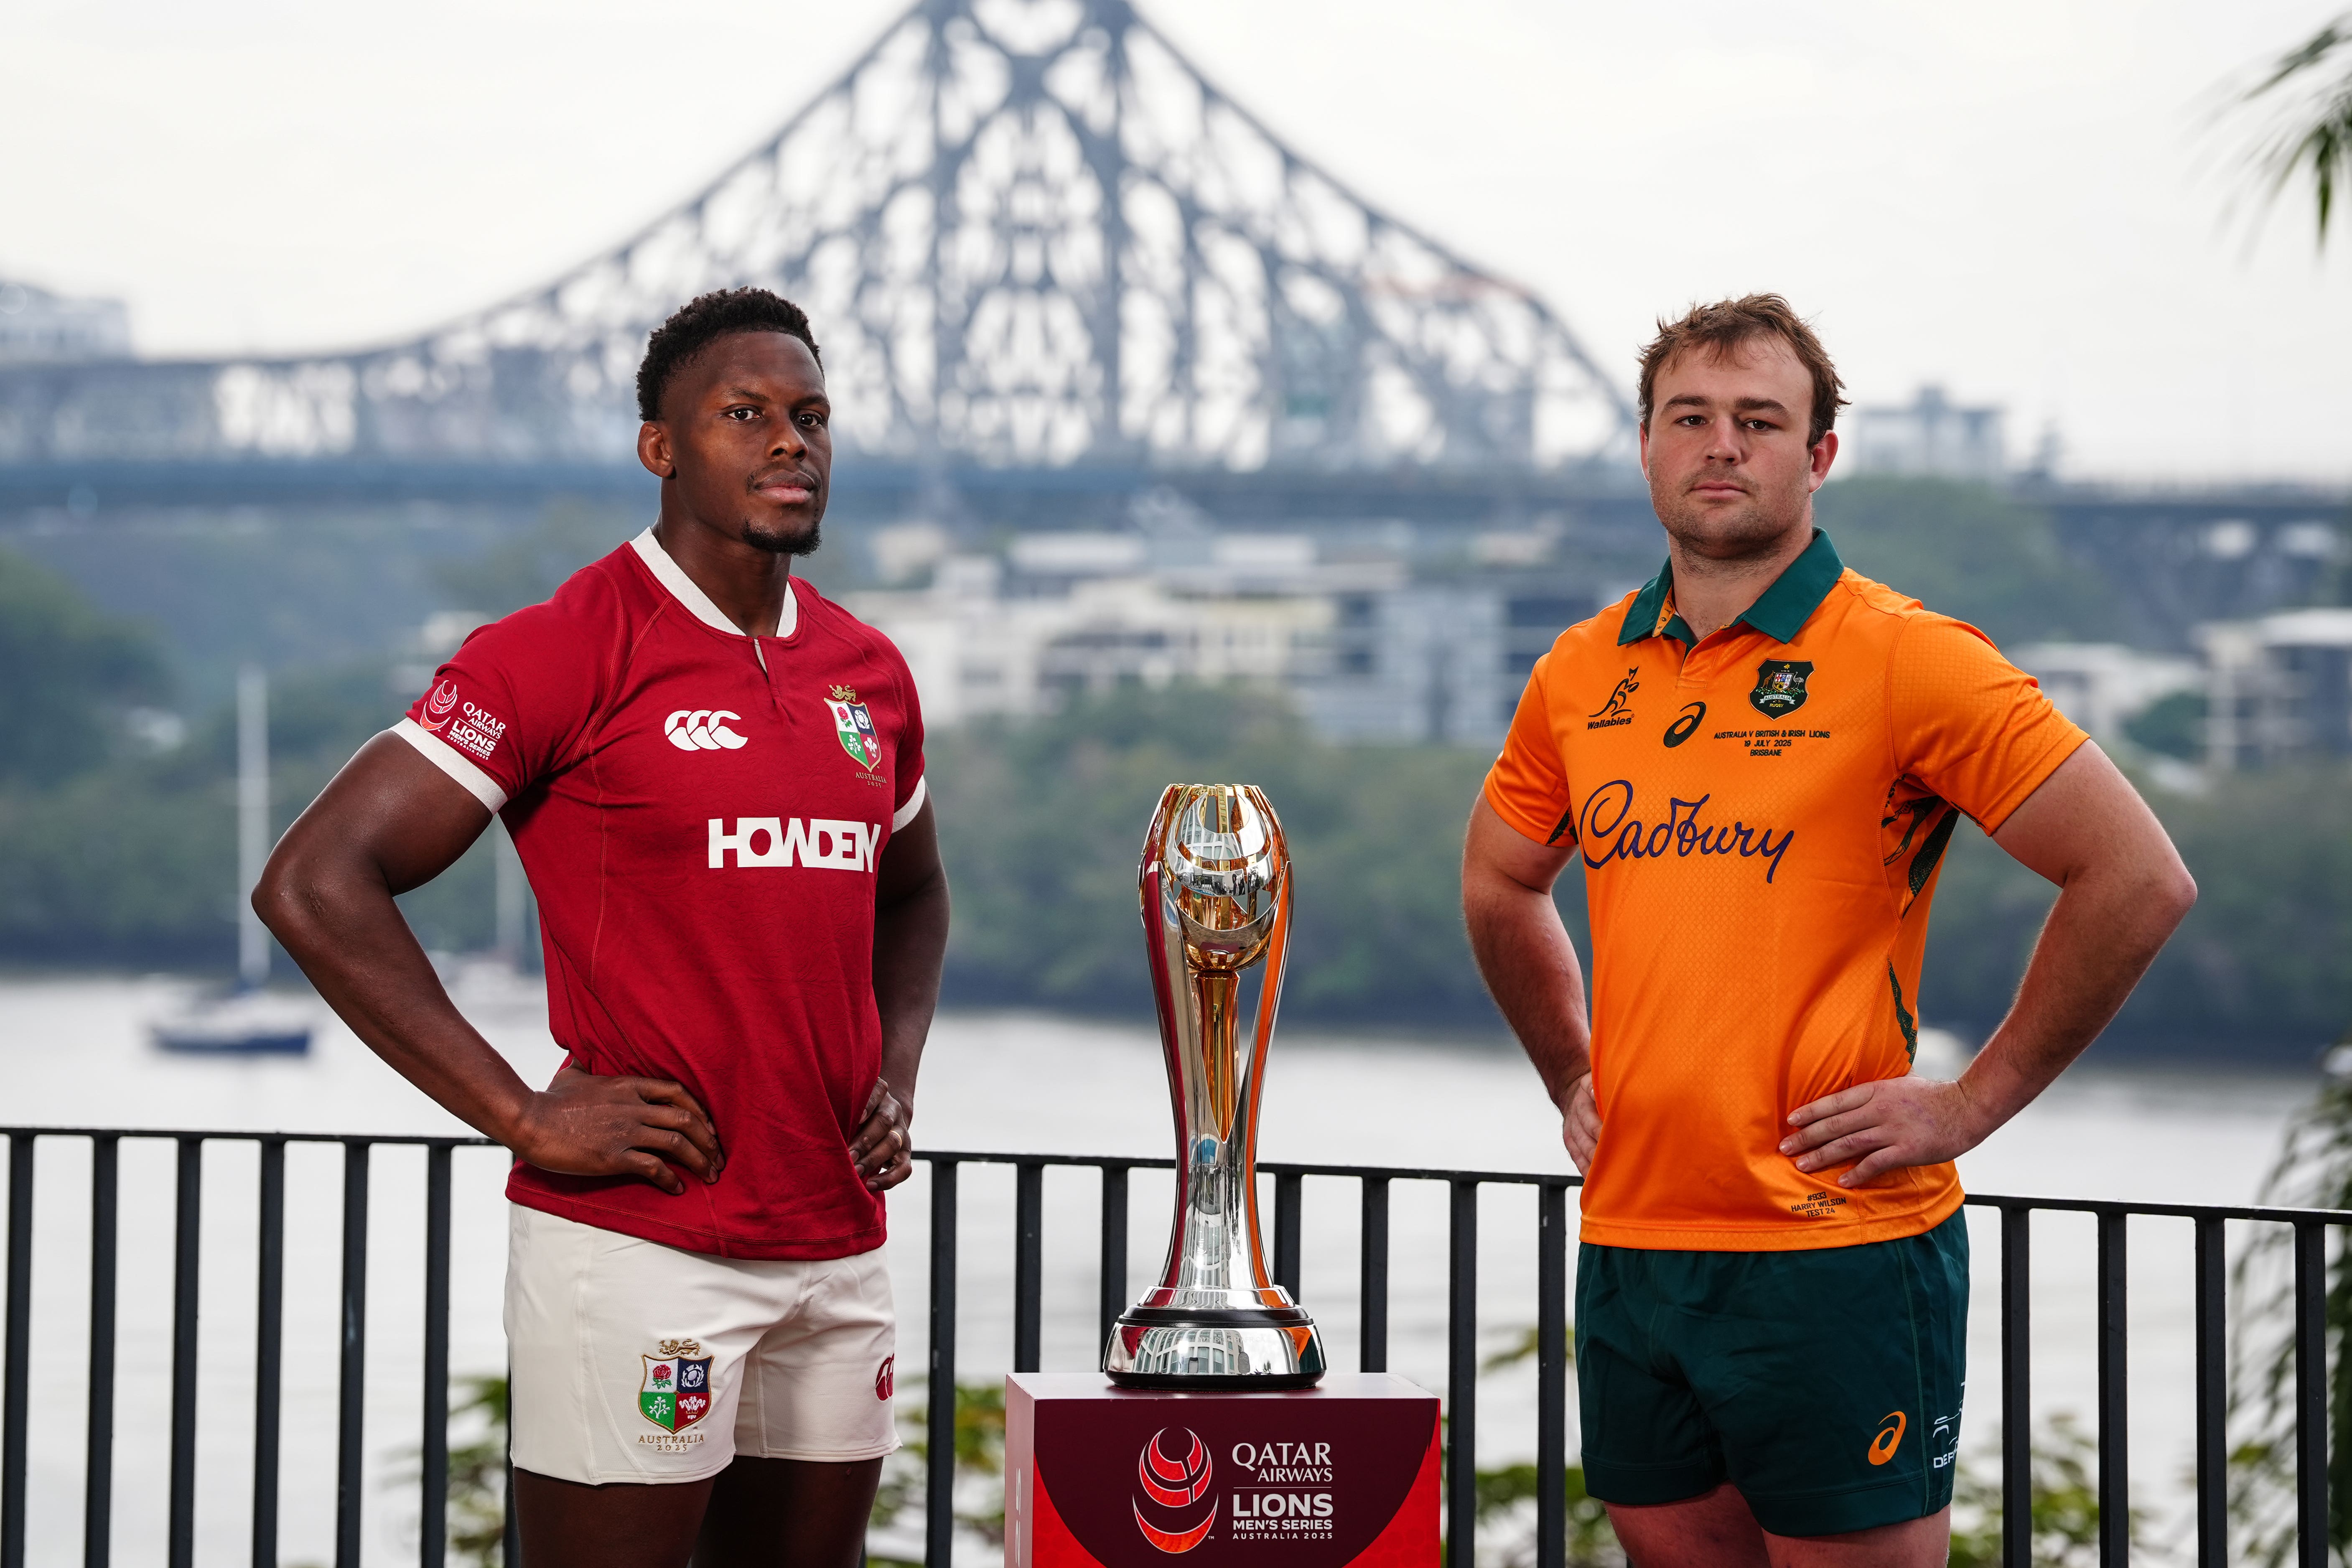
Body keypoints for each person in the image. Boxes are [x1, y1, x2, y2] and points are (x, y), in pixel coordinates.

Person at [1459, 295, 2194, 1567]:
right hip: (1634, 1243)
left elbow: (2135, 878)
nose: (1721, 447)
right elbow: (1497, 883)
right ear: (1643, 446)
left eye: (1759, 420)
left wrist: (1968, 1105)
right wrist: (1570, 1072)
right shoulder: (1578, 672)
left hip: (1838, 1248)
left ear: (1819, 455)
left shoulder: (1910, 658)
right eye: (1689, 418)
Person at [256, 287, 949, 1568]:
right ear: (662, 448)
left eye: (811, 416)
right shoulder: (558, 652)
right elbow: (313, 883)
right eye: (745, 416)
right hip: (641, 1244)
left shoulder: (868, 672)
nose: (790, 442)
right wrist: (523, 1114)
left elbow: (909, 893)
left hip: (833, 1242)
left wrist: (892, 1072)